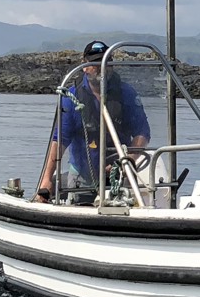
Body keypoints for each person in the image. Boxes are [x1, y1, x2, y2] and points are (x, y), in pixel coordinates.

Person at [36, 42, 150, 202]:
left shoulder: (127, 94)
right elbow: (60, 140)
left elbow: (142, 132)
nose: (101, 67)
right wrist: (47, 178)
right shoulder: (71, 98)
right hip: (82, 177)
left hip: (119, 173)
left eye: (106, 62)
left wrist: (128, 160)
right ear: (85, 66)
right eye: (95, 62)